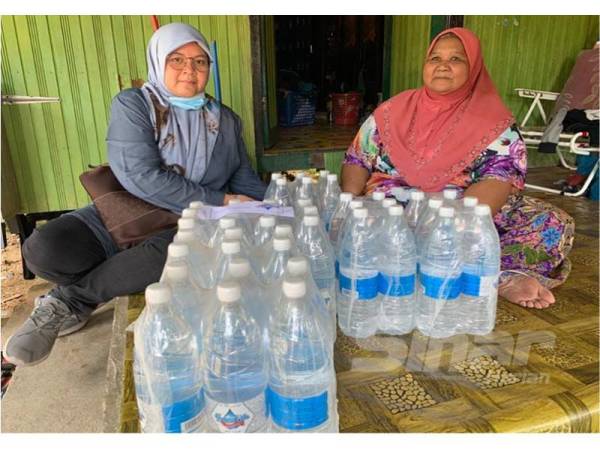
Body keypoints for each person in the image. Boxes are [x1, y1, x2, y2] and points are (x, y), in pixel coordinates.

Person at [4, 23, 266, 366]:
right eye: (177, 59)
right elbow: (140, 175)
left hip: (182, 225)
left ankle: (69, 302)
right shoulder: (135, 104)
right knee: (43, 250)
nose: (190, 70)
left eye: (200, 62)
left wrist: (279, 205)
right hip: (122, 213)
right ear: (158, 61)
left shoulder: (226, 121)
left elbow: (242, 177)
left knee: (169, 253)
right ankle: (107, 279)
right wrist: (221, 201)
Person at [341, 27, 574, 310]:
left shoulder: (492, 120)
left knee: (552, 221)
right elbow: (357, 159)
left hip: (454, 218)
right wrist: (349, 205)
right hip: (388, 215)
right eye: (434, 58)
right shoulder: (392, 110)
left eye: (455, 59)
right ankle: (452, 269)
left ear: (473, 67)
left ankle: (499, 275)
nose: (442, 65)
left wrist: (451, 228)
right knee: (330, 223)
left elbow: (497, 178)